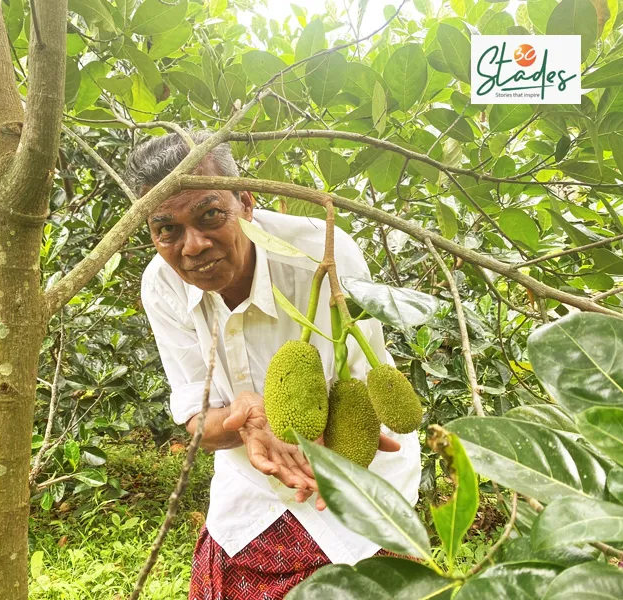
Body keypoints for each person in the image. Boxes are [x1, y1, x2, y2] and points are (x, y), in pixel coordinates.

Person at [127, 131, 421, 600]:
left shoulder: (323, 254)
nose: (194, 245)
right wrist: (245, 419)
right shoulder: (162, 286)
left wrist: (342, 461)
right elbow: (197, 422)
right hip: (254, 482)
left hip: (355, 475)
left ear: (246, 201)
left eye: (210, 214)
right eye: (168, 229)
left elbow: (360, 383)